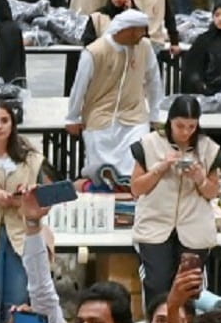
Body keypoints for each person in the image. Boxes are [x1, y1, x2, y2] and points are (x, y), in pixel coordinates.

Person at [129, 98, 221, 298]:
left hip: (194, 227)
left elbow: (213, 192)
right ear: (170, 120)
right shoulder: (149, 144)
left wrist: (200, 179)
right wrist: (160, 168)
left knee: (190, 288)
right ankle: (157, 318)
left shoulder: (208, 148)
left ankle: (188, 319)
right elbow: (136, 188)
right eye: (180, 126)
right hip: (154, 225)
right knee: (157, 284)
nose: (185, 132)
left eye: (191, 126)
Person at [66, 12, 158, 191]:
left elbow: (154, 81)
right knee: (102, 174)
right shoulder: (94, 51)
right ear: (128, 30)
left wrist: (154, 114)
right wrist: (72, 117)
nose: (143, 35)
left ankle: (130, 198)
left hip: (134, 115)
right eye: (140, 30)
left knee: (137, 158)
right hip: (100, 116)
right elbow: (79, 87)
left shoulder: (145, 47)